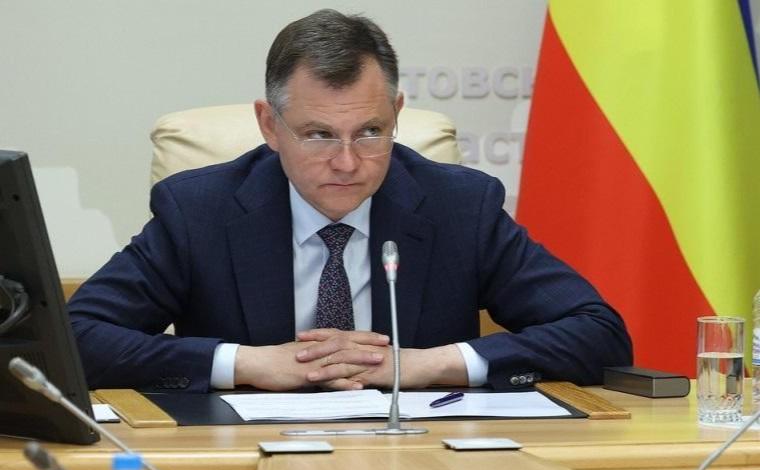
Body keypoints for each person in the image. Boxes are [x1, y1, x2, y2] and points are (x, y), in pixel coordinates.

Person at [67, 9, 632, 394]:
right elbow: (76, 337)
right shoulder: (200, 211)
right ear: (270, 125)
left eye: (370, 132)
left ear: (397, 114)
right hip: (247, 459)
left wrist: (426, 364)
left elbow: (599, 334)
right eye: (318, 135)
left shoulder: (460, 207)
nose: (346, 162)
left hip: (422, 463)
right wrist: (247, 363)